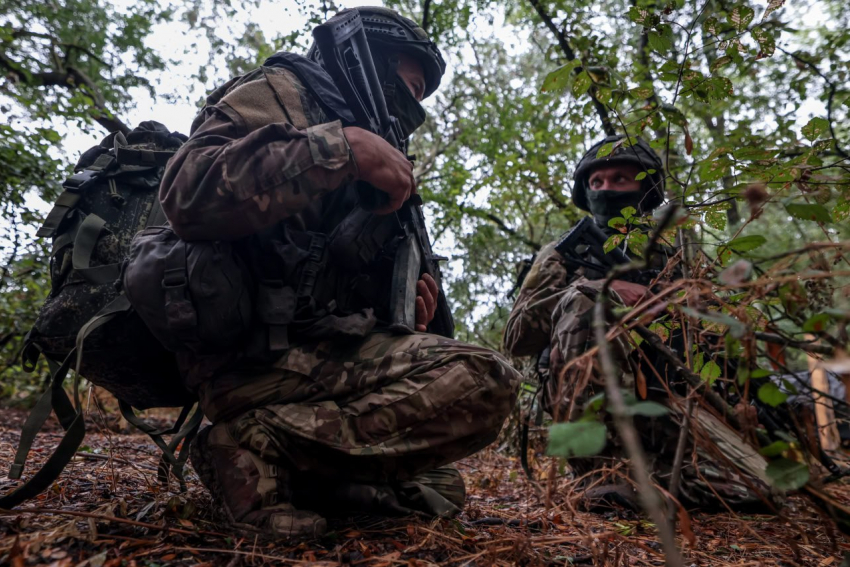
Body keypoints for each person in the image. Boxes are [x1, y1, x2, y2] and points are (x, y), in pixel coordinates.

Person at [159, 6, 520, 539]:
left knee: (438, 487)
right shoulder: (282, 92)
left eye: (422, 97)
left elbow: (336, 289)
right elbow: (187, 192)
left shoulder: (387, 172)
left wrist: (406, 321)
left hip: (320, 361)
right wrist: (339, 149)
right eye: (411, 84)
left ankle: (274, 467)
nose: (412, 104)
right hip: (250, 357)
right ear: (370, 57)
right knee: (486, 379)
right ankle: (250, 441)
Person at [503, 135, 777, 512]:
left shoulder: (672, 258)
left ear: (645, 188)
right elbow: (516, 339)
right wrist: (600, 287)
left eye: (620, 179)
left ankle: (648, 482)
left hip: (665, 401)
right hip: (588, 404)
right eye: (596, 182)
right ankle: (602, 475)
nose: (606, 189)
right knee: (585, 299)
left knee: (762, 490)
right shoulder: (560, 255)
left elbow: (714, 345)